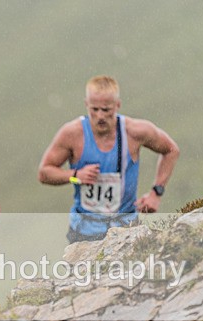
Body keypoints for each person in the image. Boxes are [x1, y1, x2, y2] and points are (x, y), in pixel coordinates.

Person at [38, 75, 179, 243]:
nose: (100, 116)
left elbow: (171, 150)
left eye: (106, 110)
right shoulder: (72, 134)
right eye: (94, 109)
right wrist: (76, 175)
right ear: (86, 104)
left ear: (117, 105)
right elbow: (44, 173)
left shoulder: (135, 131)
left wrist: (156, 193)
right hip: (83, 231)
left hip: (126, 228)